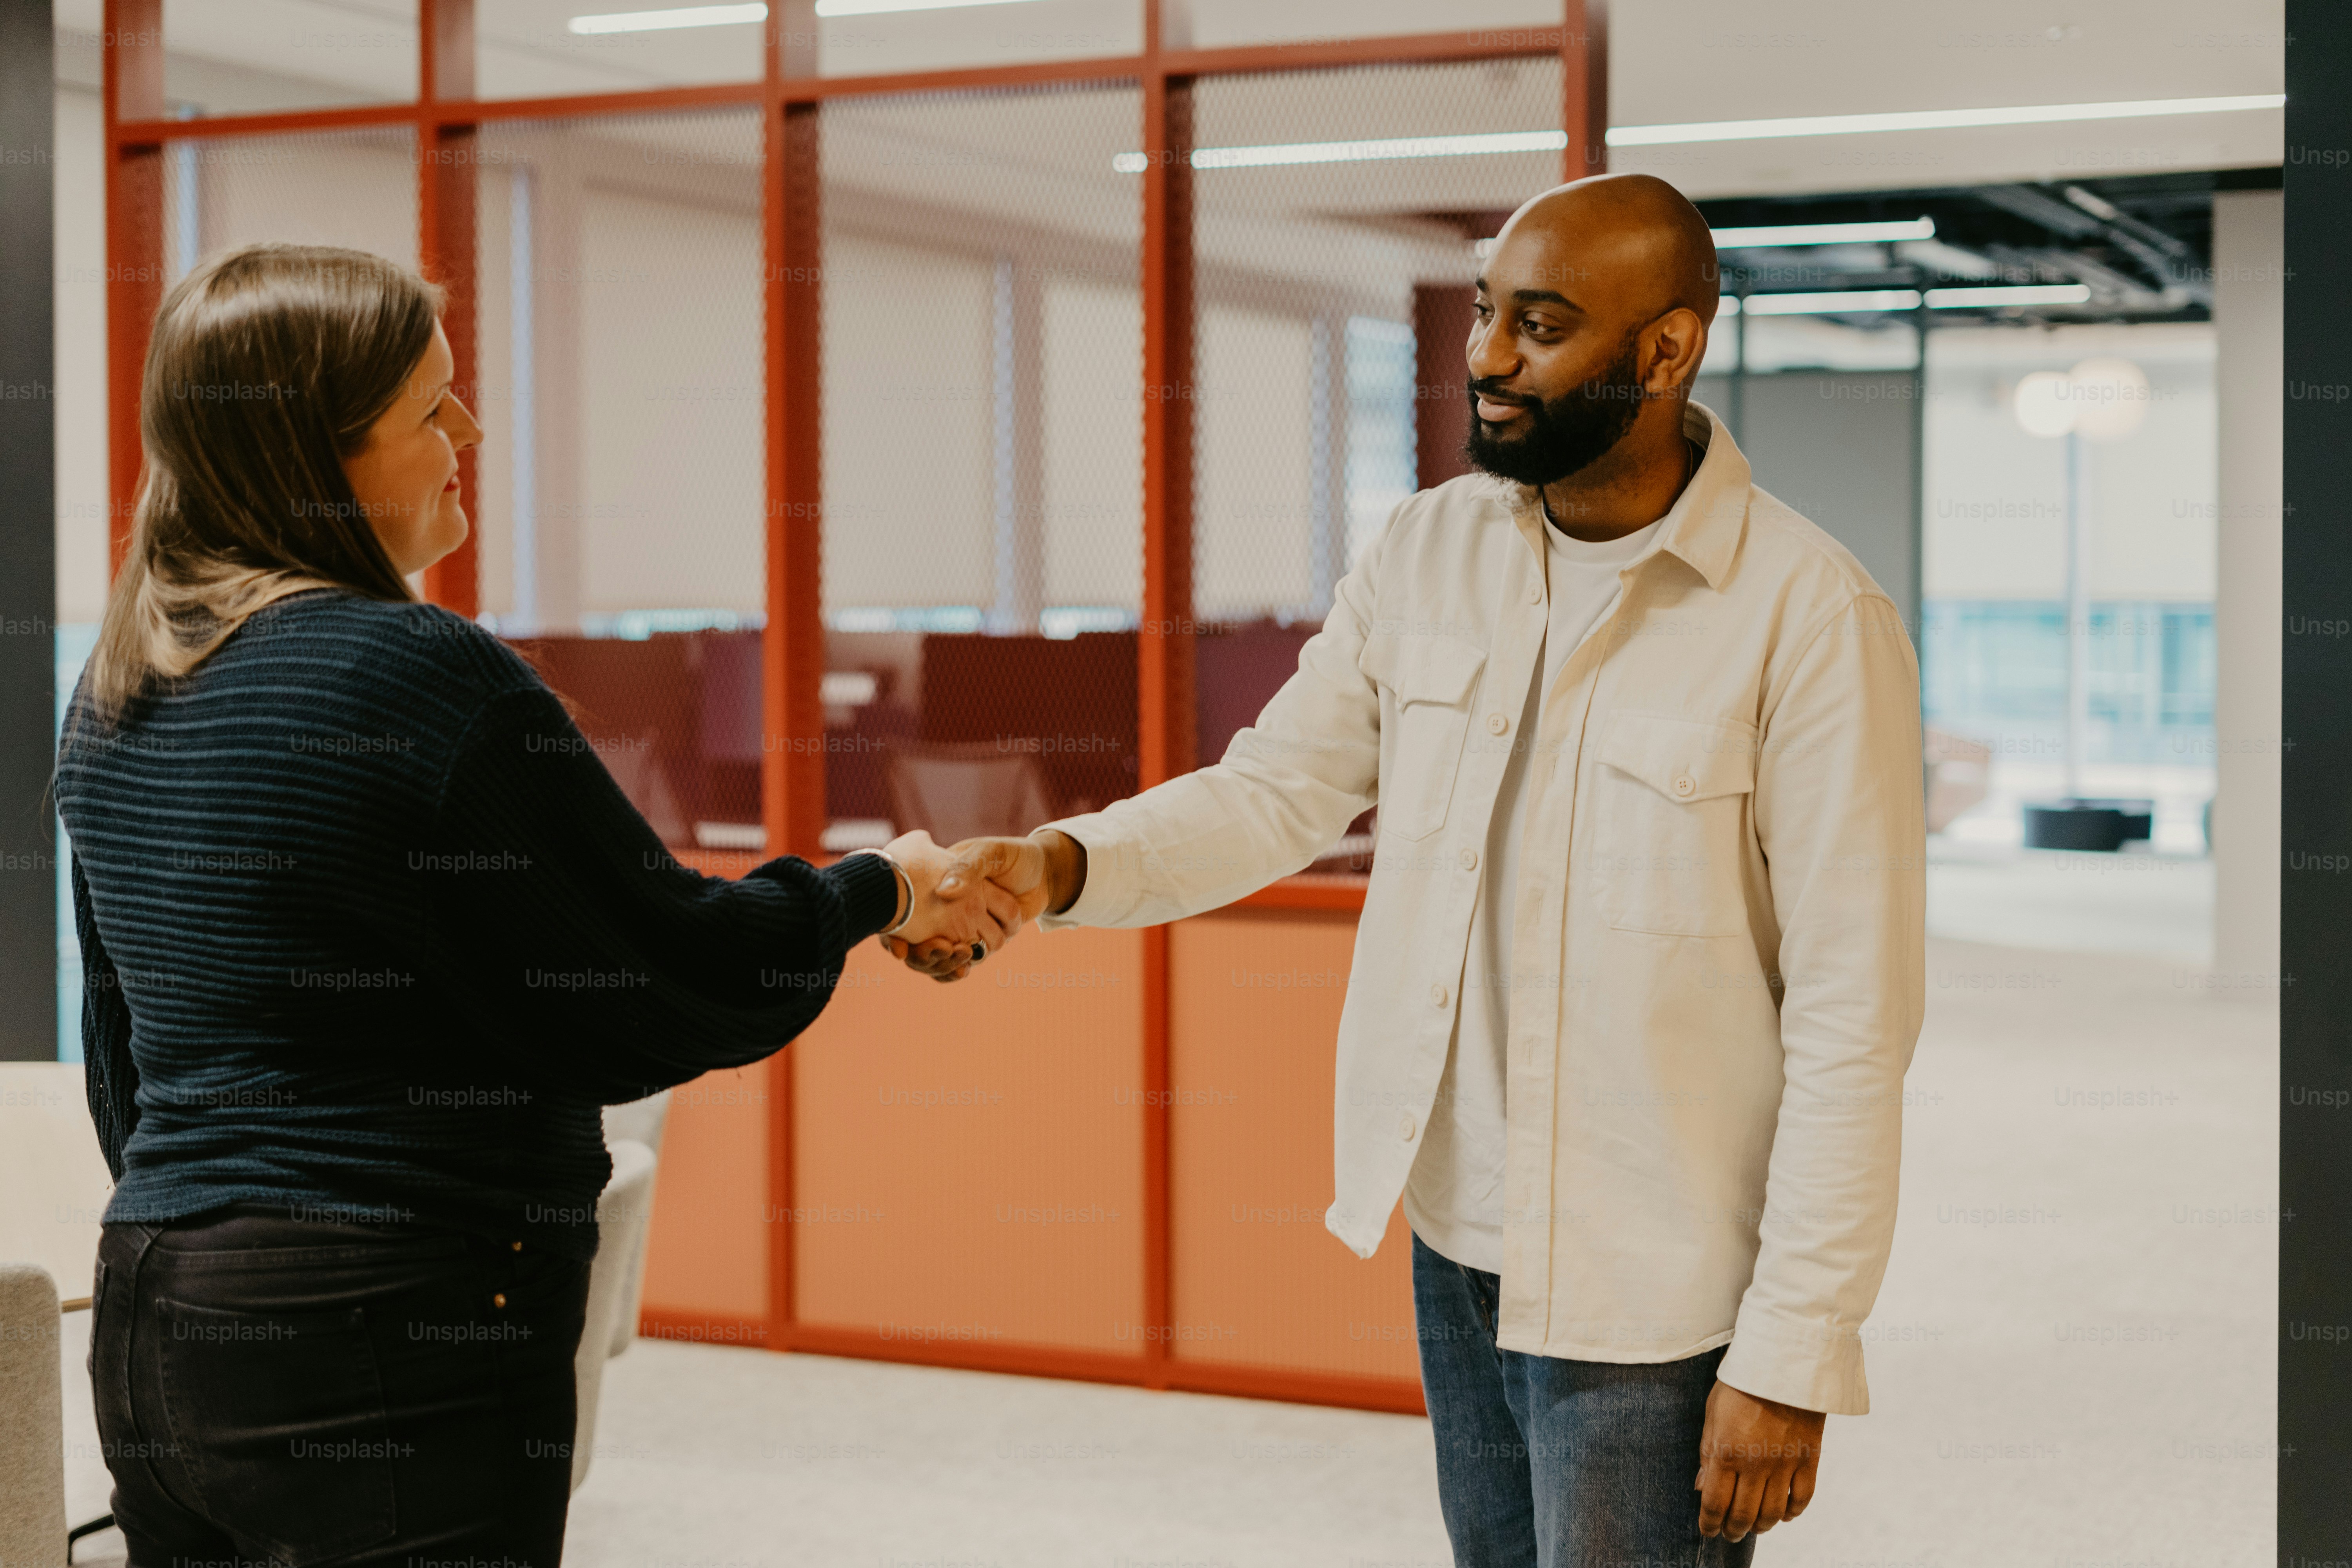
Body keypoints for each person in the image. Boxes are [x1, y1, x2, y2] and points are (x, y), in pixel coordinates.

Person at [935, 173, 1926, 1567]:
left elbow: (1851, 1017)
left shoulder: (1810, 617)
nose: (1489, 357)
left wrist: (1795, 1352)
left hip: (1657, 1279)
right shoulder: (1428, 547)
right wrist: (1057, 863)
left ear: (1666, 350)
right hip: (1460, 1239)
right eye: (1484, 313)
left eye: (1543, 324)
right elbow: (1279, 791)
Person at [56, 242, 1022, 1564]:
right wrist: (879, 887)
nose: (469, 430)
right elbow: (667, 975)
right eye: (427, 410)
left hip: (157, 1318)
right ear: (318, 462)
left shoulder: (116, 695)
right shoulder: (421, 677)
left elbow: (125, 1057)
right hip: (394, 1324)